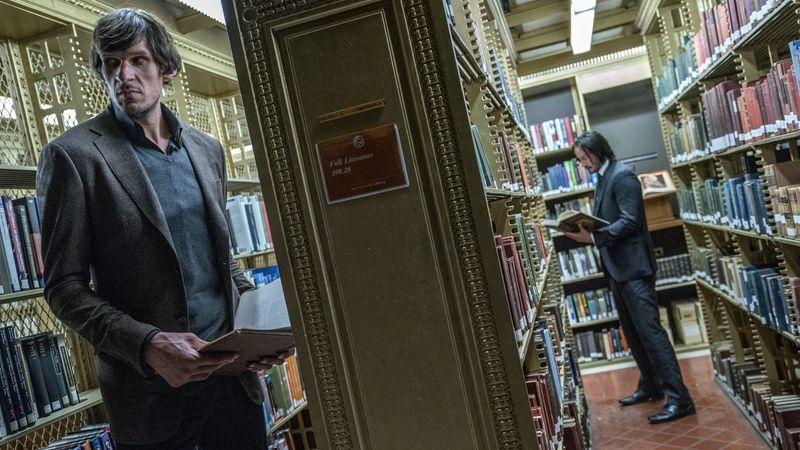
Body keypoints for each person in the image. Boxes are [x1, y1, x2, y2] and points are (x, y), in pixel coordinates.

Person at [36, 8, 287, 448]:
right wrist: (148, 344)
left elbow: (221, 260)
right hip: (150, 399)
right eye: (111, 63)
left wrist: (258, 327)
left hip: (233, 385)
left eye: (138, 60)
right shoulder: (73, 157)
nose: (124, 75)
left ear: (166, 68)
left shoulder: (207, 150)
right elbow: (63, 288)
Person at [563, 131, 695, 424]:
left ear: (598, 150)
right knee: (634, 335)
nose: (582, 164)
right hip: (618, 269)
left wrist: (593, 238)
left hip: (634, 269)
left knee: (651, 334)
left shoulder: (622, 175)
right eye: (579, 160)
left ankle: (680, 399)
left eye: (584, 158)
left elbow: (631, 221)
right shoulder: (604, 177)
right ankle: (651, 386)